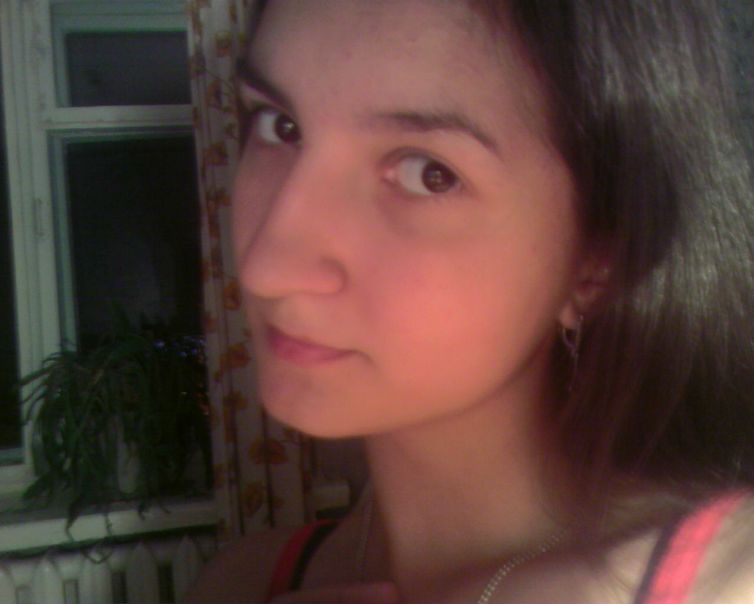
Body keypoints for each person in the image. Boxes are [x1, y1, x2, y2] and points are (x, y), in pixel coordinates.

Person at [185, 0, 754, 602]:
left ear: (596, 261)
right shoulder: (239, 584)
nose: (267, 267)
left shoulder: (727, 583)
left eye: (427, 174)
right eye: (279, 126)